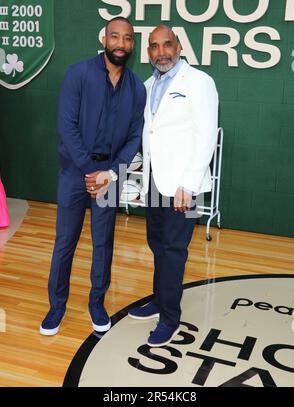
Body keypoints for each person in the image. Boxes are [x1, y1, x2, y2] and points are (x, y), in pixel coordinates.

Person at [40, 17, 146, 336]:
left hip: (110, 177)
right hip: (75, 172)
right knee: (65, 242)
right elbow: (67, 127)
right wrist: (90, 171)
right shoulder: (78, 74)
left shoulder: (137, 88)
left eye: (127, 39)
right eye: (115, 37)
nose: (121, 44)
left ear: (132, 44)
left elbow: (134, 137)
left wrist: (110, 174)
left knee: (104, 243)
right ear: (104, 40)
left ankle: (96, 304)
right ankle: (56, 307)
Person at [128, 26, 219, 347]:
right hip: (155, 182)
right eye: (154, 47)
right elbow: (148, 136)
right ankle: (159, 299)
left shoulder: (199, 82)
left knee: (174, 250)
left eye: (167, 45)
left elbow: (205, 135)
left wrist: (188, 184)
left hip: (183, 186)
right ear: (148, 52)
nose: (161, 51)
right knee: (156, 243)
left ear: (179, 47)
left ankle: (170, 317)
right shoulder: (148, 84)